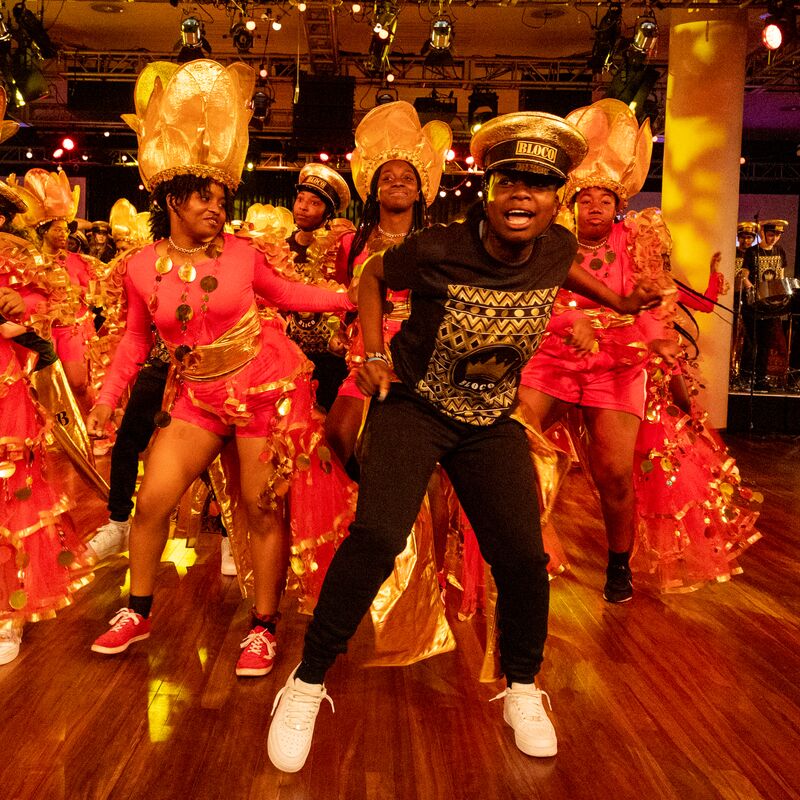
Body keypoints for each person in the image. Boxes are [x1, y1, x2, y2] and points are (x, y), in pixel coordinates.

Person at [267, 109, 658, 772]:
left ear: (555, 197)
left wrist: (620, 307)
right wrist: (372, 352)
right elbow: (369, 277)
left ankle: (524, 687)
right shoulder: (441, 246)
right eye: (510, 181)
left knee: (523, 557)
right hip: (414, 409)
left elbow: (565, 271)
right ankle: (304, 684)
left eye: (538, 184)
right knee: (378, 536)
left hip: (489, 421)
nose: (522, 196)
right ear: (489, 188)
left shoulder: (559, 245)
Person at [85, 59, 356, 678]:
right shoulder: (139, 266)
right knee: (151, 501)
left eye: (221, 195)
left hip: (262, 391)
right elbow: (133, 341)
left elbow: (290, 294)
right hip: (198, 397)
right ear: (172, 198)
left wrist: (356, 295)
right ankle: (138, 609)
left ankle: (262, 625)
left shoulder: (242, 253)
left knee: (262, 509)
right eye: (205, 196)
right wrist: (107, 400)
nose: (217, 205)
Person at [518, 99, 679, 605]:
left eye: (604, 200)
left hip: (617, 365)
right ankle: (528, 546)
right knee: (511, 437)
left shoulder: (637, 240)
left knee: (613, 471)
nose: (594, 206)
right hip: (553, 356)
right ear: (571, 202)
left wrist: (655, 337)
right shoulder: (549, 242)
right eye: (585, 197)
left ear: (618, 206)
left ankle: (617, 563)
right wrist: (570, 320)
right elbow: (531, 300)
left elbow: (651, 302)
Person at [324, 101, 450, 476]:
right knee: (334, 442)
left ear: (419, 192)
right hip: (364, 358)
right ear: (374, 190)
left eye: (408, 177)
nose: (397, 181)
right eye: (388, 176)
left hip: (422, 364)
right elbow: (338, 297)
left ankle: (428, 535)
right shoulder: (351, 244)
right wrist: (336, 332)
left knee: (424, 468)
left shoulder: (436, 244)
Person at [0, 170, 91, 665]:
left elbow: (47, 307)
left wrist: (21, 307)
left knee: (10, 494)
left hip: (5, 390)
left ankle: (8, 610)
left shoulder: (15, 258)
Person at [8, 168, 101, 414]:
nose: (64, 234)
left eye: (66, 229)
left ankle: (89, 424)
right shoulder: (29, 263)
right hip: (41, 333)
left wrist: (76, 291)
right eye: (57, 229)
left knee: (78, 384)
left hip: (71, 330)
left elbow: (95, 295)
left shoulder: (81, 262)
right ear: (44, 231)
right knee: (42, 388)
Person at [284, 163, 354, 411]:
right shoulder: (281, 248)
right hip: (292, 353)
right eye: (300, 199)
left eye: (314, 203)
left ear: (328, 213)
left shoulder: (341, 247)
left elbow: (353, 294)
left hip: (332, 355)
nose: (302, 207)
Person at [744, 219, 790, 391]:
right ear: (763, 233)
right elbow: (745, 277)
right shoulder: (752, 252)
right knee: (754, 343)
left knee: (766, 344)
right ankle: (748, 377)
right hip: (755, 306)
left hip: (772, 305)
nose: (774, 239)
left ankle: (761, 379)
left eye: (777, 236)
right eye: (771, 235)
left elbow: (781, 276)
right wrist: (754, 291)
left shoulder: (780, 251)